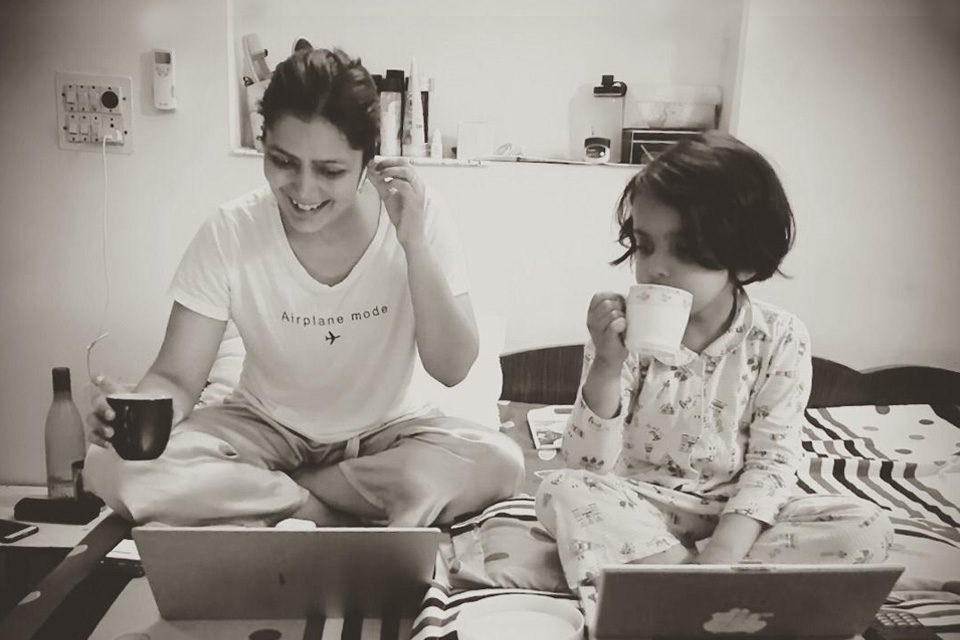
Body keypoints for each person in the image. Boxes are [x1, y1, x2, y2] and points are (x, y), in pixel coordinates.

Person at [83, 44, 524, 527]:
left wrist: (414, 245)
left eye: (330, 170)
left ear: (367, 162)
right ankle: (325, 510)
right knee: (111, 467)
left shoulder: (419, 214)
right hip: (265, 428)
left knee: (500, 463)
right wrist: (137, 416)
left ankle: (285, 495)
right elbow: (177, 378)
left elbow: (453, 367)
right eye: (284, 162)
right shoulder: (231, 230)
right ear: (263, 142)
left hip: (390, 435)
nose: (303, 190)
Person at [535, 131, 893, 597]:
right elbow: (588, 465)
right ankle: (704, 589)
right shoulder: (622, 335)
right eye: (645, 246)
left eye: (684, 250)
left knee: (864, 525)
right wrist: (606, 364)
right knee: (560, 490)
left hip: (742, 516)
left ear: (743, 261)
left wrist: (724, 552)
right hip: (643, 505)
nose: (655, 268)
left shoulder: (780, 336)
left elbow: (772, 462)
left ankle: (679, 588)